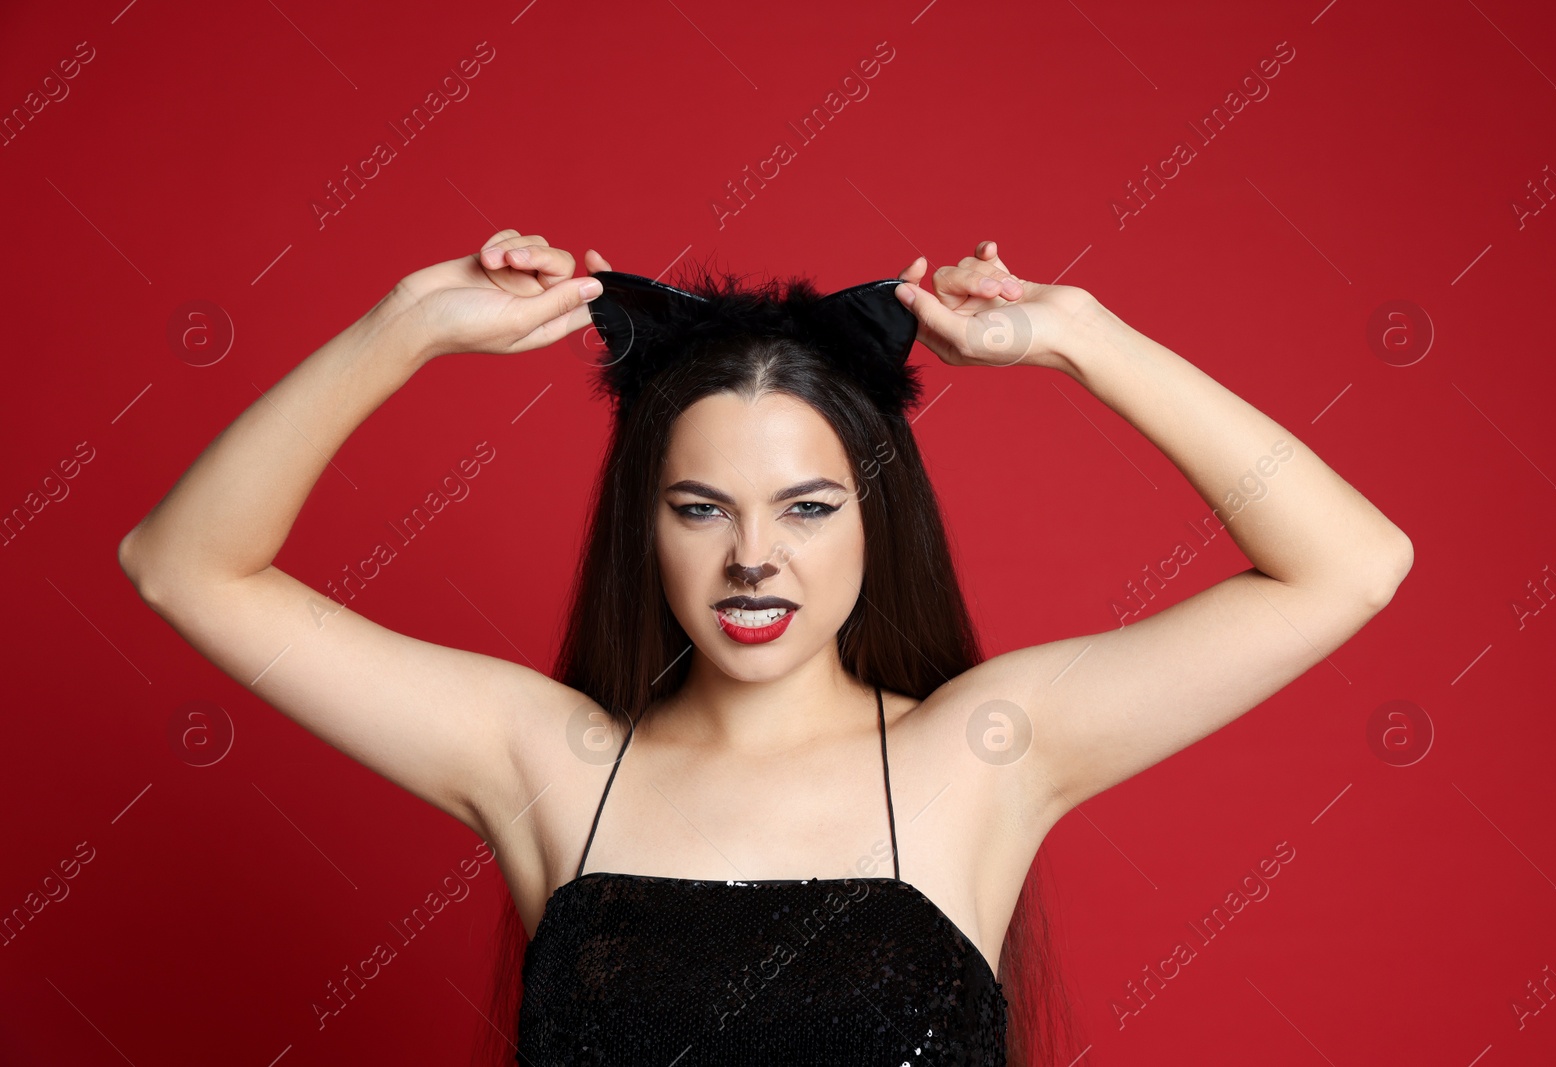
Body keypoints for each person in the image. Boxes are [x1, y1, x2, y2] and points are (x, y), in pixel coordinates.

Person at [117, 229, 1413, 1065]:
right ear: (650, 529)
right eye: (701, 509)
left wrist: (1082, 338)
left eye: (806, 507)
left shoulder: (983, 750)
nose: (754, 557)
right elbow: (183, 568)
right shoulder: (546, 762)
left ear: (872, 518)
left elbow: (1350, 565)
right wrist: (401, 325)